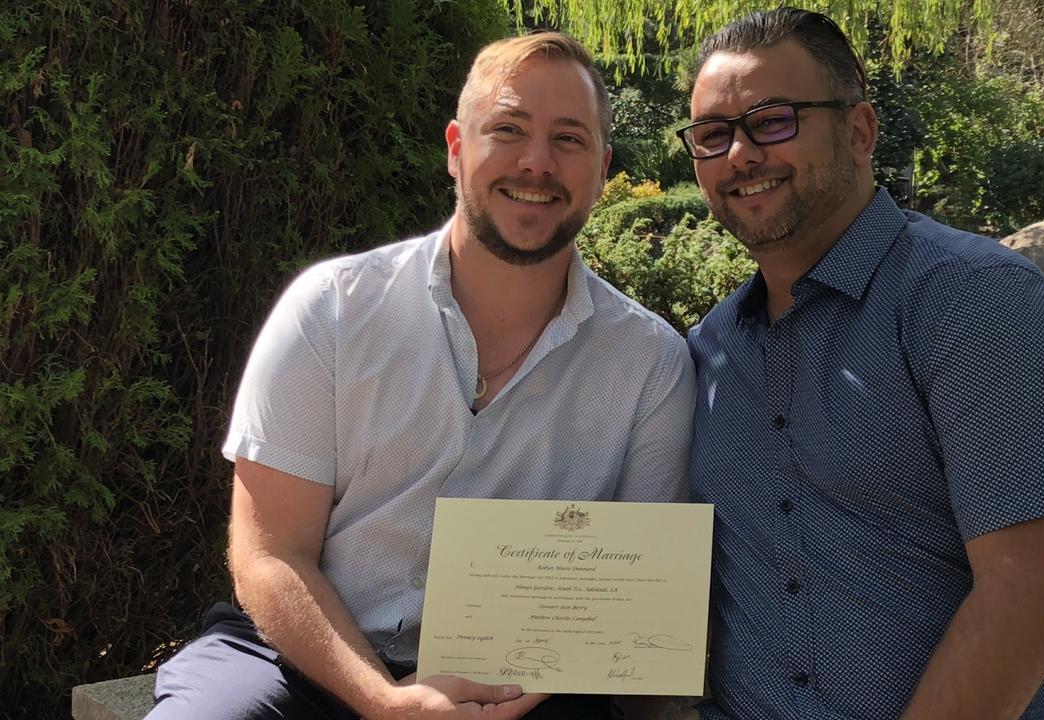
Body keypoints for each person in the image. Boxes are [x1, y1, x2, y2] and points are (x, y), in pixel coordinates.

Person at [147, 32, 695, 720]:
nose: (536, 161)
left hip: (523, 687)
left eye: (569, 139)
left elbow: (627, 598)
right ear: (456, 149)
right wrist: (382, 701)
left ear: (602, 167)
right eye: (508, 129)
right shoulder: (334, 310)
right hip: (302, 661)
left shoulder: (651, 366)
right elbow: (270, 554)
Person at [676, 8, 1044, 720]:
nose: (739, 155)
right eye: (712, 135)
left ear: (859, 131)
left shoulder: (976, 302)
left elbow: (1032, 593)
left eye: (773, 120)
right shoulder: (709, 351)